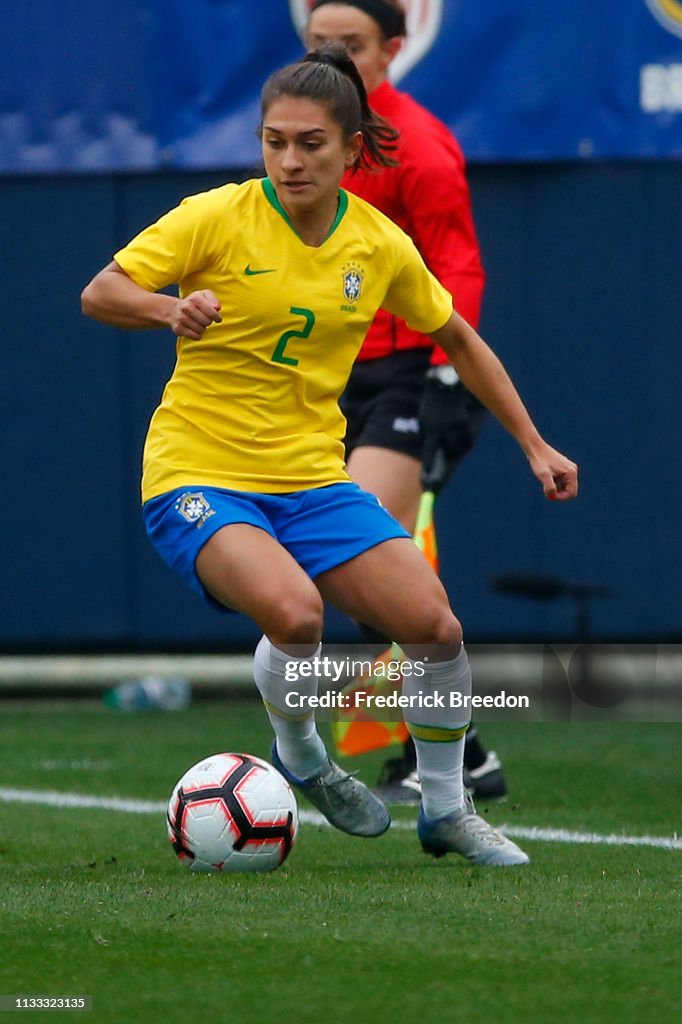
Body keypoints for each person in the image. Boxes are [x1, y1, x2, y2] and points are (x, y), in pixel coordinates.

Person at [81, 44, 578, 866]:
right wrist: (167, 309)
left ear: (352, 149)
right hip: (197, 474)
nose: (288, 159)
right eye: (274, 140)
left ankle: (446, 809)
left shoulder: (376, 243)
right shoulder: (215, 215)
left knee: (435, 627)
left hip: (310, 477)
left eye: (310, 143)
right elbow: (101, 291)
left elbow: (457, 336)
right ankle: (302, 750)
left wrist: (533, 442)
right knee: (296, 614)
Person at [304, 0, 502, 802]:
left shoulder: (415, 145)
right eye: (319, 43)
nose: (333, 56)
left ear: (393, 47)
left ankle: (457, 758)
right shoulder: (307, 146)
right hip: (329, 378)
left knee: (363, 563)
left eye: (349, 44)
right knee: (359, 587)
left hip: (408, 373)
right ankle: (463, 751)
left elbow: (459, 266)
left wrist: (450, 379)